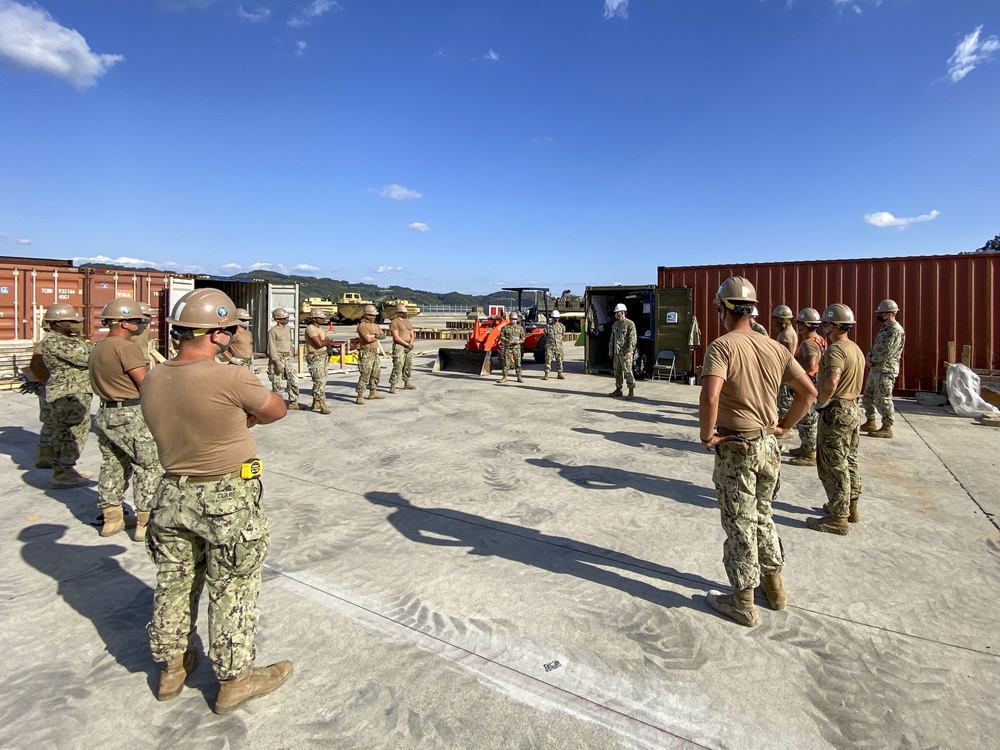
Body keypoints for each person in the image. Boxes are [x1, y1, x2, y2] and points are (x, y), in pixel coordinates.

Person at [141, 288, 292, 713]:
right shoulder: (230, 376)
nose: (232, 336)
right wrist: (242, 414)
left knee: (174, 581)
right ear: (215, 334)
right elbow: (276, 409)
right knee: (232, 587)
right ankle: (234, 679)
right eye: (228, 330)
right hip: (225, 496)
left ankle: (172, 669)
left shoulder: (155, 376)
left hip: (171, 492)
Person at [698, 276, 816, 627]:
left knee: (740, 523)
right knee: (763, 514)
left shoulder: (722, 347)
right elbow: (808, 393)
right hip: (768, 445)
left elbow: (710, 396)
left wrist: (707, 435)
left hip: (738, 446)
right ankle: (775, 590)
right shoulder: (774, 347)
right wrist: (784, 427)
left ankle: (743, 601)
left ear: (723, 309)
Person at [88, 299, 163, 540]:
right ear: (123, 322)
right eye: (137, 321)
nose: (141, 326)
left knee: (113, 465)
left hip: (106, 412)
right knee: (148, 466)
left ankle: (112, 520)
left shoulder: (98, 347)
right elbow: (144, 383)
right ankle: (145, 522)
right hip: (130, 413)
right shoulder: (125, 348)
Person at [806, 303, 866, 535]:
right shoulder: (856, 349)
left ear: (834, 325)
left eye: (826, 324)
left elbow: (832, 381)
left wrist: (820, 401)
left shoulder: (836, 350)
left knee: (833, 465)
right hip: (852, 410)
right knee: (849, 460)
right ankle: (850, 507)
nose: (824, 328)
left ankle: (838, 518)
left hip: (837, 411)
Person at [40, 303, 94, 489]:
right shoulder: (55, 341)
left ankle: (67, 468)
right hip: (67, 394)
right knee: (69, 434)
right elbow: (88, 356)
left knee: (75, 432)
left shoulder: (69, 338)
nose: (76, 324)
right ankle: (63, 472)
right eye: (70, 321)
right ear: (56, 323)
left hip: (76, 393)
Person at [787, 308, 826, 467]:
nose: (798, 326)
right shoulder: (819, 339)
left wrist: (793, 368)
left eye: (800, 323)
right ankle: (806, 446)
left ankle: (810, 453)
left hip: (808, 382)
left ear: (808, 325)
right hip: (814, 381)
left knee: (807, 418)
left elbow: (811, 364)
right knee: (805, 417)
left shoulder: (809, 343)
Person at [862, 299, 906, 439]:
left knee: (883, 398)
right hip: (876, 368)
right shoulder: (885, 328)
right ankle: (870, 421)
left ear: (889, 313)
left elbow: (887, 351)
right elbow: (876, 346)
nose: (879, 315)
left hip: (885, 370)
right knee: (868, 396)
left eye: (881, 313)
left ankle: (887, 427)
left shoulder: (895, 330)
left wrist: (872, 359)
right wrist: (869, 356)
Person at [27, 331, 54, 468]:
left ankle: (48, 456)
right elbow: (36, 364)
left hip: (50, 388)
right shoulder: (47, 342)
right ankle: (50, 458)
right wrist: (49, 383)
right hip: (50, 389)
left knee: (50, 420)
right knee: (51, 420)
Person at [267, 307, 299, 409]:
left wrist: (291, 351)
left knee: (293, 380)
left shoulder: (288, 328)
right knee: (278, 383)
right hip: (278, 358)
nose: (286, 319)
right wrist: (277, 362)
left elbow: (289, 341)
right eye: (284, 318)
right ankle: (277, 404)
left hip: (287, 357)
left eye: (286, 317)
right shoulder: (273, 331)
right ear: (278, 319)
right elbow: (271, 347)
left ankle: (293, 402)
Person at [772, 305, 798, 425]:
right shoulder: (787, 332)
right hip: (784, 371)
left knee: (784, 400)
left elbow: (788, 355)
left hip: (785, 372)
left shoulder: (786, 335)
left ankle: (786, 426)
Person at [304, 309, 333, 413]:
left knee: (322, 380)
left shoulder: (321, 329)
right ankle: (321, 404)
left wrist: (326, 342)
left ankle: (315, 402)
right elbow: (319, 343)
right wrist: (327, 342)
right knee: (319, 380)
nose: (322, 320)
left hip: (323, 356)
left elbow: (325, 341)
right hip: (315, 357)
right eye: (320, 318)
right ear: (314, 318)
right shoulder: (311, 329)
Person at [356, 304, 384, 404]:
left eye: (374, 315)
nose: (374, 317)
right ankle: (360, 395)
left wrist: (375, 336)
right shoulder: (362, 326)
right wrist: (377, 335)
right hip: (366, 353)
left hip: (374, 352)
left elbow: (383, 335)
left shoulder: (375, 325)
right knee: (365, 374)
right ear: (366, 315)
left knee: (376, 373)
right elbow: (367, 339)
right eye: (372, 315)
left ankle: (373, 392)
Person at [608, 303, 637, 399]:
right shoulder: (615, 324)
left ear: (623, 312)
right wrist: (610, 349)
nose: (616, 314)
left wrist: (629, 351)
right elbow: (612, 338)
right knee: (617, 371)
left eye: (618, 312)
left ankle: (631, 391)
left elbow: (632, 338)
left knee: (628, 371)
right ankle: (618, 389)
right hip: (617, 352)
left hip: (625, 353)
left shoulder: (630, 324)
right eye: (616, 312)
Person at [388, 303, 417, 394]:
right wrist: (406, 344)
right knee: (398, 365)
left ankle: (407, 382)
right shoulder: (395, 322)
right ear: (399, 313)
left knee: (408, 364)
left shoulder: (407, 322)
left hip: (408, 345)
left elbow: (412, 334)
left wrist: (410, 344)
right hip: (399, 346)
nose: (405, 314)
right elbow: (396, 337)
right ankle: (393, 385)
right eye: (403, 312)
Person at [498, 311, 526, 384]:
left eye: (515, 319)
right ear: (510, 319)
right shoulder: (505, 328)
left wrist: (519, 341)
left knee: (518, 363)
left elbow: (523, 338)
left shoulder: (520, 328)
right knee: (506, 363)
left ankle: (519, 376)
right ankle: (505, 377)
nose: (514, 320)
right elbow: (501, 337)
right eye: (513, 318)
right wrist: (507, 341)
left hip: (517, 348)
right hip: (508, 347)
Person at [543, 310, 565, 381]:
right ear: (551, 318)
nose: (555, 319)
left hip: (558, 346)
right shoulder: (548, 327)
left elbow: (562, 335)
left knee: (560, 360)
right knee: (548, 360)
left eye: (557, 318)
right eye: (554, 318)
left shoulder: (562, 326)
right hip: (550, 346)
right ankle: (546, 374)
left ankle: (559, 373)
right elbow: (545, 336)